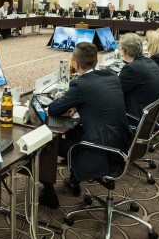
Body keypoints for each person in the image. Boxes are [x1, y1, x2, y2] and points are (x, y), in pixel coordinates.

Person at [41, 42, 131, 207]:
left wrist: (73, 103)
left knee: (47, 144)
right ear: (97, 60)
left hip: (101, 150)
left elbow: (53, 109)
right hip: (122, 143)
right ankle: (75, 179)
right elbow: (98, 100)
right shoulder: (111, 76)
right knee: (72, 131)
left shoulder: (80, 84)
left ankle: (48, 194)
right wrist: (76, 105)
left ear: (75, 64)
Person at [118, 33, 159, 119]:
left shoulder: (131, 68)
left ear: (124, 50)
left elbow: (115, 91)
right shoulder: (150, 61)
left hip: (136, 117)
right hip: (152, 116)